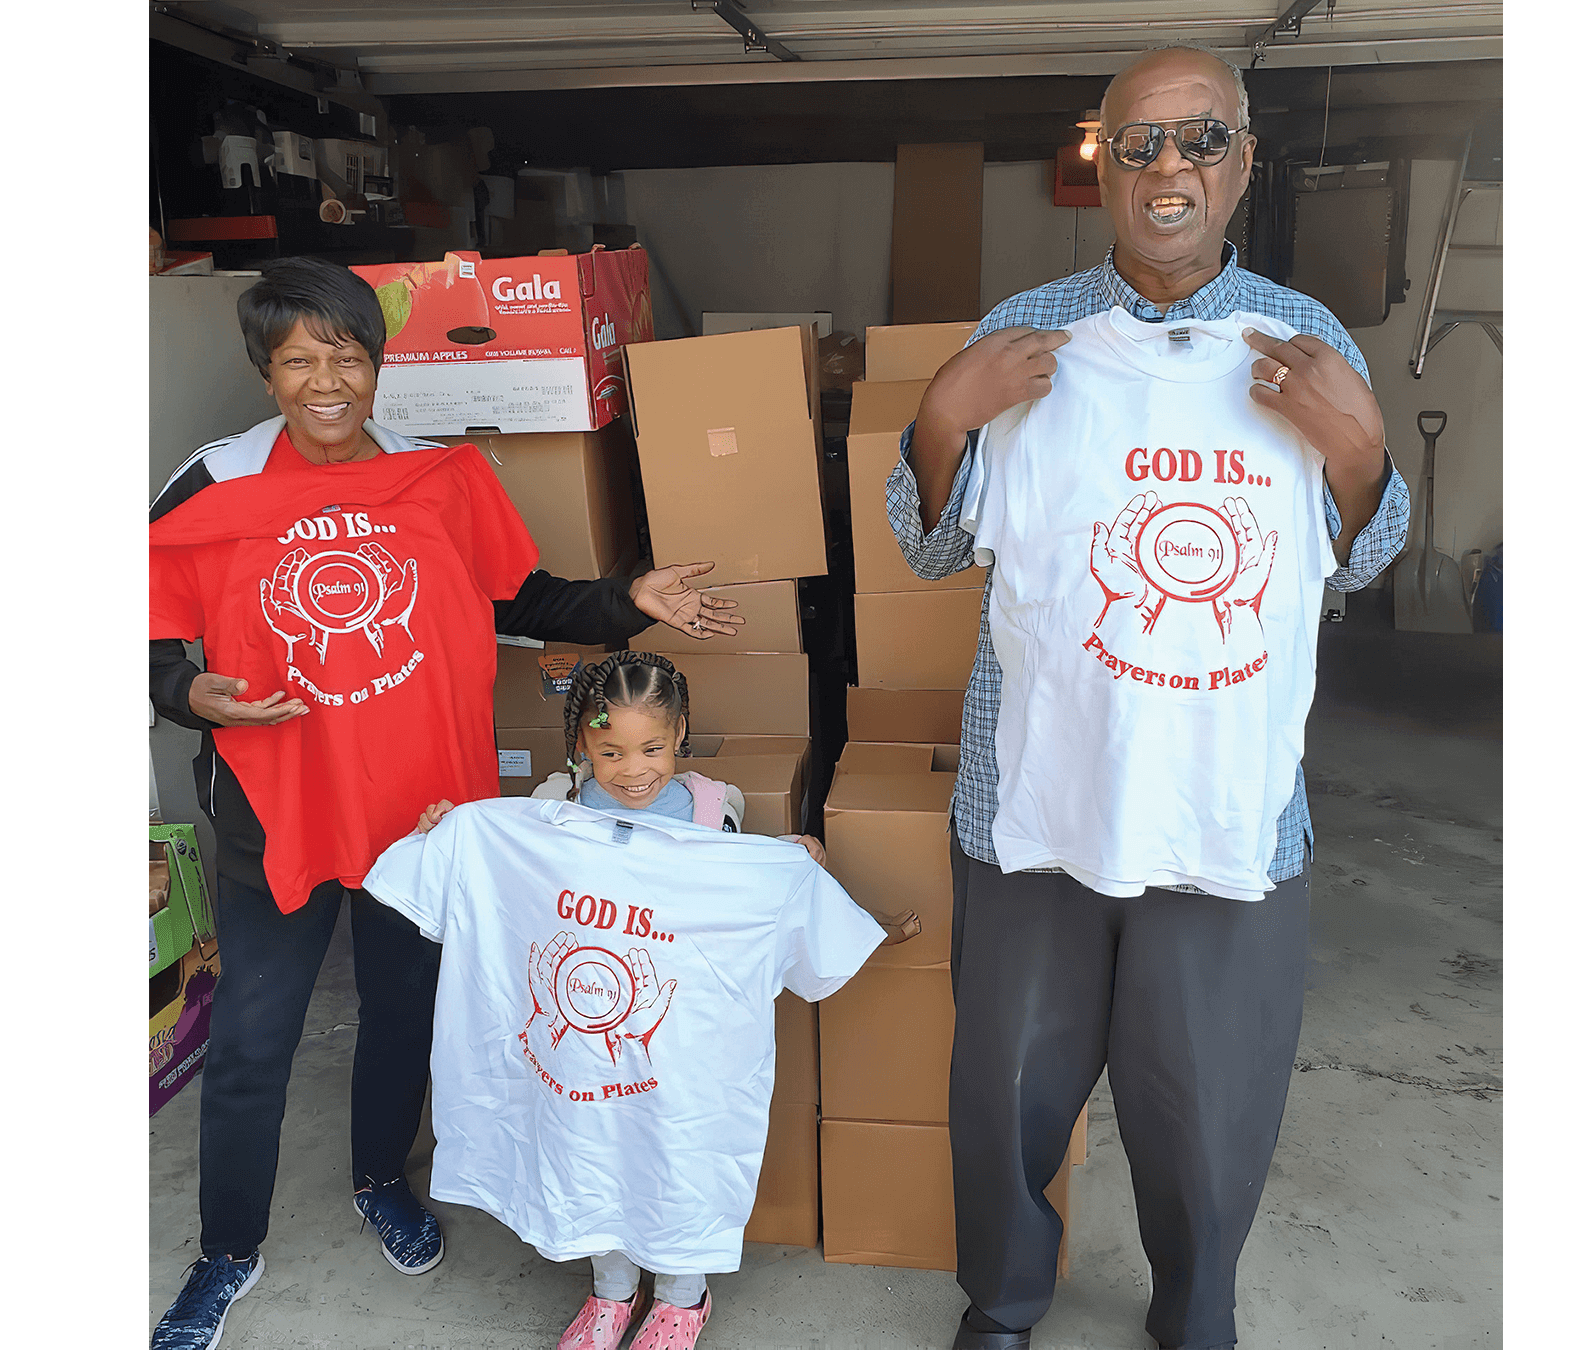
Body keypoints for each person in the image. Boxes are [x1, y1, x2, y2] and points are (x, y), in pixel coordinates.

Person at [887, 45, 1413, 1350]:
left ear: (1243, 162)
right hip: (1039, 797)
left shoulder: (1306, 339)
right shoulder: (1026, 335)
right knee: (1007, 1086)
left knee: (1211, 1095)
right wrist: (945, 415)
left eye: (1199, 141)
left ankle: (1198, 1308)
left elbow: (1365, 549)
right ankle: (1002, 1300)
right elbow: (932, 545)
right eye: (1140, 144)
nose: (1168, 168)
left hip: (1226, 809)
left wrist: (1359, 458)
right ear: (1100, 162)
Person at [147, 257, 743, 1350]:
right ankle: (225, 1254)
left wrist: (629, 600)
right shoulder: (214, 480)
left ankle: (382, 1178)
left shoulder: (440, 478)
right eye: (297, 360)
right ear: (262, 370)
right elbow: (151, 635)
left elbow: (522, 593)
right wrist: (188, 692)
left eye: (347, 356)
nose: (324, 381)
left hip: (425, 816)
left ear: (378, 365)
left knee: (401, 1017)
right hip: (273, 809)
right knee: (248, 1046)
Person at [404, 651, 918, 1350]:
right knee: (589, 1151)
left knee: (675, 1156)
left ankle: (682, 1298)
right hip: (579, 1050)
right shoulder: (550, 811)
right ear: (580, 745)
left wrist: (790, 860)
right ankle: (611, 1292)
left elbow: (742, 892)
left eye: (651, 747)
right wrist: (448, 838)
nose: (633, 768)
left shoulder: (712, 811)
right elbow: (501, 882)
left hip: (681, 1051)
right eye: (609, 750)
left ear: (680, 736)